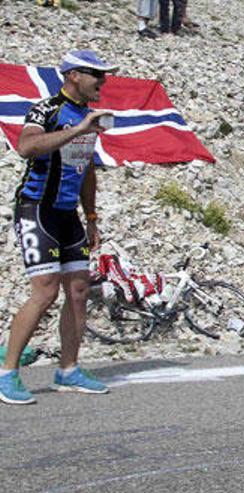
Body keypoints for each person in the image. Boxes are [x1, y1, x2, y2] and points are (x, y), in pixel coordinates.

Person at [0, 50, 115, 405]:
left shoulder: (88, 117)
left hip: (69, 216)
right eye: (97, 74)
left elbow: (87, 170)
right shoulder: (46, 109)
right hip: (37, 210)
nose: (103, 82)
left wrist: (92, 218)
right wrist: (78, 129)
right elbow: (26, 146)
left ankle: (68, 369)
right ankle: (7, 373)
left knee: (79, 290)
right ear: (73, 76)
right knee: (46, 291)